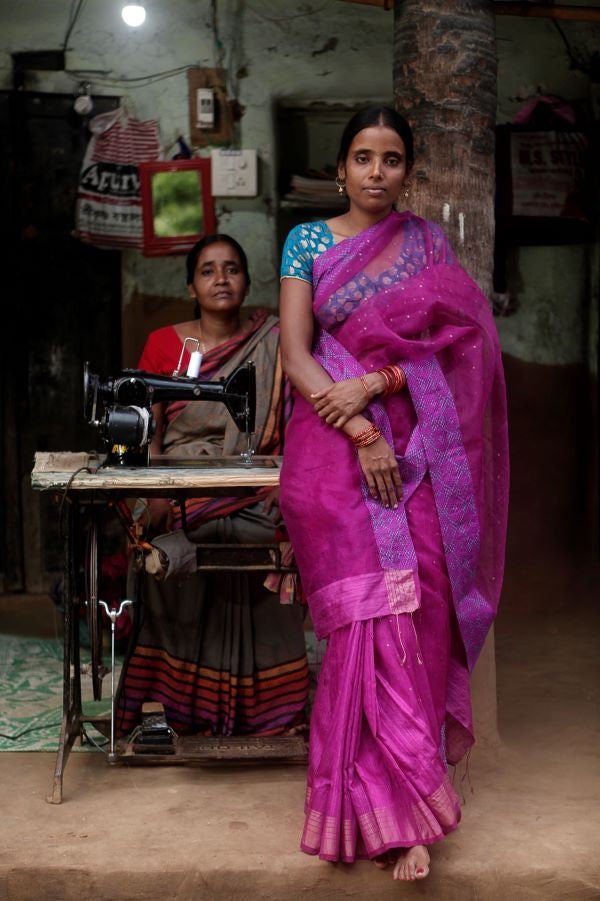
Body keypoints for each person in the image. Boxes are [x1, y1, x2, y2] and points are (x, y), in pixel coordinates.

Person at [278, 107, 508, 881]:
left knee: (418, 607)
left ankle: (409, 811)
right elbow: (297, 349)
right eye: (363, 158)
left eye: (393, 159)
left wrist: (378, 386)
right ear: (339, 168)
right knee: (363, 621)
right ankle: (371, 808)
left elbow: (457, 349)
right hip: (331, 449)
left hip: (419, 450)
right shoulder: (307, 241)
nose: (377, 172)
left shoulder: (428, 245)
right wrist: (359, 428)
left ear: (408, 171)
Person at [117, 234, 309, 738]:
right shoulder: (164, 342)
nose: (221, 278)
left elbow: (292, 424)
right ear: (190, 285)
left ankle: (269, 714)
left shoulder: (274, 339)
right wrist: (158, 497)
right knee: (167, 548)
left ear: (247, 281)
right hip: (182, 487)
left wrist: (281, 487)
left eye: (231, 268)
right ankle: (182, 713)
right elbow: (150, 430)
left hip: (257, 485)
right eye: (208, 270)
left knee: (283, 541)